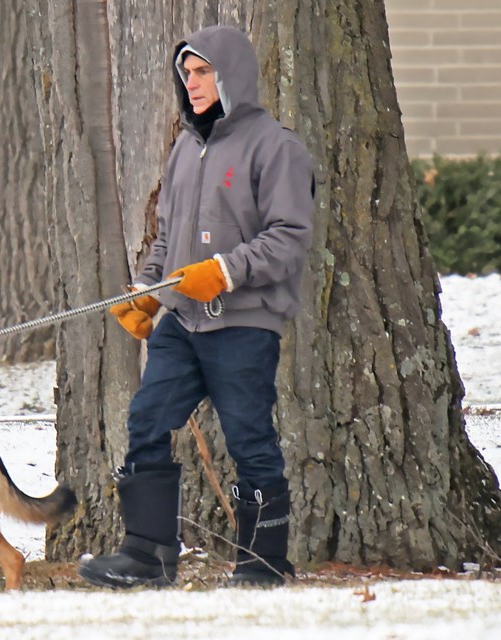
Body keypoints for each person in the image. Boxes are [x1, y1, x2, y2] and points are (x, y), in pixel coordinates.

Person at [78, 24, 315, 589]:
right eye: (187, 73)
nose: (193, 82)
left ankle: (262, 566)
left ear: (231, 73)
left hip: (244, 325)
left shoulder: (276, 147)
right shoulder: (186, 147)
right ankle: (147, 556)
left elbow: (289, 236)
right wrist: (148, 290)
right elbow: (168, 237)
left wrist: (229, 269)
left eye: (203, 71)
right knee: (147, 420)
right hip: (182, 322)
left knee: (249, 437)